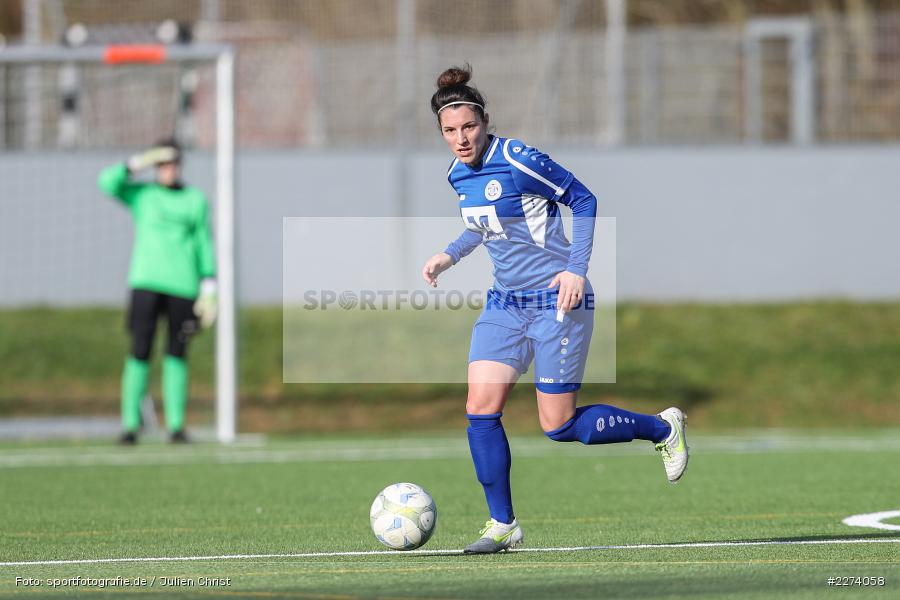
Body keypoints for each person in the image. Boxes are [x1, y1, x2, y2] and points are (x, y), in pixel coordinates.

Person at [421, 65, 689, 554]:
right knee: (480, 411)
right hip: (505, 304)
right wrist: (450, 254)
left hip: (556, 301)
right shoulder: (457, 173)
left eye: (469, 127)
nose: (461, 139)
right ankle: (502, 525)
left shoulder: (519, 158)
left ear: (485, 121)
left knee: (559, 426)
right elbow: (484, 226)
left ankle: (662, 427)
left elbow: (583, 198)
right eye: (450, 131)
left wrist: (575, 269)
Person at [98, 139, 217, 444]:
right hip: (146, 283)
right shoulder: (144, 196)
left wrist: (209, 286)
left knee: (177, 352)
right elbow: (107, 182)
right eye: (162, 164)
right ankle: (130, 424)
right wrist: (139, 161)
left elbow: (204, 243)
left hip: (183, 285)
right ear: (156, 167)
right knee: (140, 350)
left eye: (173, 163)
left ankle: (176, 426)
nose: (168, 169)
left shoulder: (195, 200)